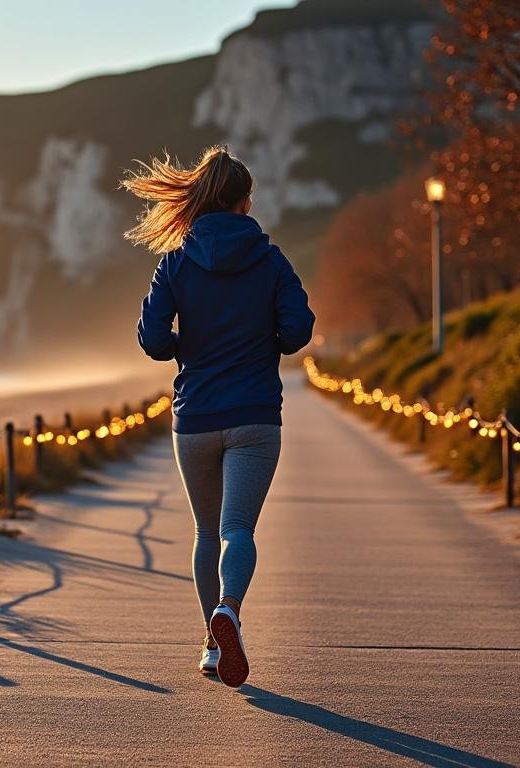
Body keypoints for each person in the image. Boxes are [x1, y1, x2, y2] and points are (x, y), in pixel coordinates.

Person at [123, 145, 315, 688]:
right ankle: (228, 610)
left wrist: (191, 348)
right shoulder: (271, 258)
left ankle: (213, 644)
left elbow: (153, 340)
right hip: (256, 413)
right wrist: (264, 344)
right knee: (238, 529)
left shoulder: (176, 261)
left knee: (207, 532)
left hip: (197, 415)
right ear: (244, 202)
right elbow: (299, 332)